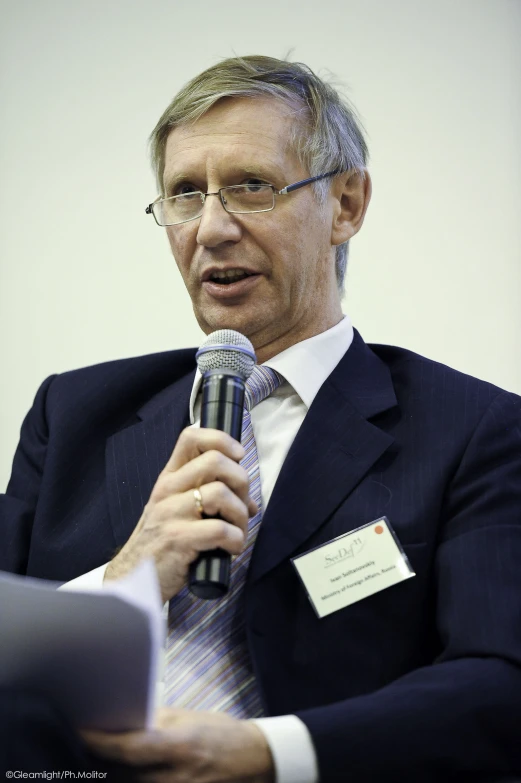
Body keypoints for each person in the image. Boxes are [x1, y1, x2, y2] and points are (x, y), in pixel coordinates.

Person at [1, 55, 521, 783]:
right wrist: (126, 577)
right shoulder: (73, 414)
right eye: (184, 193)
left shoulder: (476, 431)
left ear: (345, 205)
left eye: (250, 186)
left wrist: (265, 755)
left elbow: (499, 685)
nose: (210, 228)